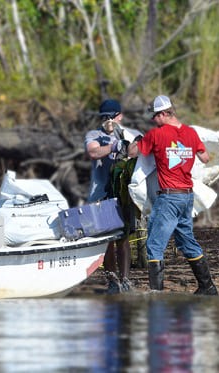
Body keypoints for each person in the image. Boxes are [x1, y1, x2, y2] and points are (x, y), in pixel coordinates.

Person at [127, 95, 218, 295]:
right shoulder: (191, 133)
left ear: (164, 114)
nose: (153, 120)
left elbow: (132, 152)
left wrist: (138, 140)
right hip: (187, 196)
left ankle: (157, 296)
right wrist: (186, 151)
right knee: (187, 242)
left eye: (155, 116)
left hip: (169, 197)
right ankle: (207, 287)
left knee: (154, 245)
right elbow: (205, 157)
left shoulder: (156, 135)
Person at [85, 99, 132, 294]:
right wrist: (113, 146)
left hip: (123, 194)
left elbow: (137, 150)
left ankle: (126, 280)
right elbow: (93, 152)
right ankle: (112, 281)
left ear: (119, 116)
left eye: (111, 116)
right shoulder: (94, 134)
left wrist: (123, 139)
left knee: (124, 239)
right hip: (101, 195)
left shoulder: (128, 133)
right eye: (104, 117)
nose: (107, 120)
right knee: (108, 241)